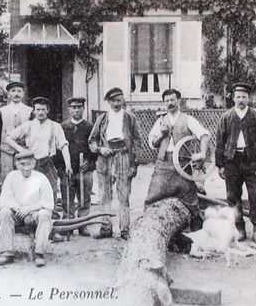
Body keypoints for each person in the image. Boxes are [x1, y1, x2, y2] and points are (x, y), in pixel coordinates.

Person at [146, 89, 210, 230]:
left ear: (179, 101)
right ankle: (153, 229)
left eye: (173, 100)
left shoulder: (188, 119)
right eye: (167, 100)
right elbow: (152, 144)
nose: (170, 103)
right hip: (163, 165)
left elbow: (204, 135)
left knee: (190, 200)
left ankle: (196, 233)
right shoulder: (160, 121)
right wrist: (162, 135)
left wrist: (202, 153)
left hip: (182, 165)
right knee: (152, 198)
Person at [214, 83, 256, 244]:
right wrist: (221, 165)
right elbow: (219, 142)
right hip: (232, 161)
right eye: (238, 96)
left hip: (251, 161)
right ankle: (239, 229)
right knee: (233, 197)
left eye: (244, 96)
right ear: (233, 98)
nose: (241, 100)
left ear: (248, 98)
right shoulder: (226, 117)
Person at [5, 97, 73, 224]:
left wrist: (68, 164)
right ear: (34, 111)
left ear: (48, 110)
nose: (40, 112)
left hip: (48, 162)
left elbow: (63, 146)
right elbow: (9, 139)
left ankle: (50, 224)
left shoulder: (55, 126)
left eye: (43, 109)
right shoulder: (28, 125)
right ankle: (30, 221)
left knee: (50, 191)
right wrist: (23, 151)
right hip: (32, 164)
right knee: (31, 191)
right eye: (38, 109)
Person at [88, 87, 141, 240]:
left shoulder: (130, 118)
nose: (116, 104)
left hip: (123, 155)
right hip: (105, 157)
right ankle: (105, 228)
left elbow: (137, 142)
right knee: (104, 194)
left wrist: (134, 164)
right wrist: (99, 149)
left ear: (123, 101)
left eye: (119, 100)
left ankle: (125, 229)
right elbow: (92, 139)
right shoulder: (102, 119)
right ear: (109, 102)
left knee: (124, 194)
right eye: (113, 101)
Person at [0, 150, 55, 267]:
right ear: (17, 164)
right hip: (17, 214)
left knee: (45, 214)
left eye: (29, 164)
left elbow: (48, 202)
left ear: (34, 163)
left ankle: (39, 253)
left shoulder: (41, 178)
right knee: (5, 212)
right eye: (22, 164)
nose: (26, 168)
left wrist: (30, 209)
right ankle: (6, 252)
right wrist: (18, 208)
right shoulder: (11, 177)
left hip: (34, 215)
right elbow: (5, 199)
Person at [59, 97, 96, 235]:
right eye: (74, 107)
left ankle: (82, 224)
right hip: (68, 168)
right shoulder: (63, 127)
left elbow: (94, 147)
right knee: (67, 196)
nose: (77, 110)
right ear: (69, 109)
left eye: (79, 107)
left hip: (84, 169)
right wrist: (61, 167)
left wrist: (90, 161)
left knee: (84, 197)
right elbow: (58, 148)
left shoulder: (90, 127)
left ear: (83, 108)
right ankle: (68, 223)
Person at [0, 80, 33, 184]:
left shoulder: (30, 111)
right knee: (7, 181)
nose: (16, 94)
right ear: (8, 94)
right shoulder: (2, 111)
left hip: (24, 151)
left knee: (25, 180)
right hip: (6, 152)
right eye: (13, 91)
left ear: (23, 94)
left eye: (19, 91)